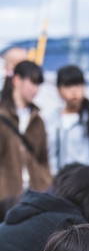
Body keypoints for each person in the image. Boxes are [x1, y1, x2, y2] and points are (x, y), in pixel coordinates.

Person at [0, 60, 52, 200]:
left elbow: (43, 159)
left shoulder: (38, 120)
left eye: (38, 84)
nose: (36, 89)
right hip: (6, 199)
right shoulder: (2, 117)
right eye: (33, 82)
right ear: (17, 80)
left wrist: (45, 182)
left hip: (35, 196)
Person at [46, 65, 89, 173]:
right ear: (59, 90)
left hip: (84, 183)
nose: (74, 91)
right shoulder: (51, 120)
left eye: (78, 85)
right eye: (68, 86)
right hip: (57, 182)